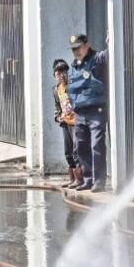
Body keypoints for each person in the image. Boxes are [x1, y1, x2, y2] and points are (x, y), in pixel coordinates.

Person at [67, 34, 109, 192]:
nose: (75, 51)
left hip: (96, 110)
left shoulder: (98, 59)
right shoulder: (74, 66)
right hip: (80, 112)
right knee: (81, 147)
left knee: (96, 145)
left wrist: (110, 40)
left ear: (87, 45)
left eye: (78, 47)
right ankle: (87, 179)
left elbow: (111, 53)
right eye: (73, 49)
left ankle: (99, 181)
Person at [52, 59, 81, 189]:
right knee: (68, 152)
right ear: (55, 76)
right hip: (65, 123)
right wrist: (58, 117)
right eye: (59, 74)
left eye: (65, 73)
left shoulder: (73, 86)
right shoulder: (56, 90)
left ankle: (80, 180)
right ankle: (72, 178)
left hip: (75, 123)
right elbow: (57, 106)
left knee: (77, 151)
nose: (62, 76)